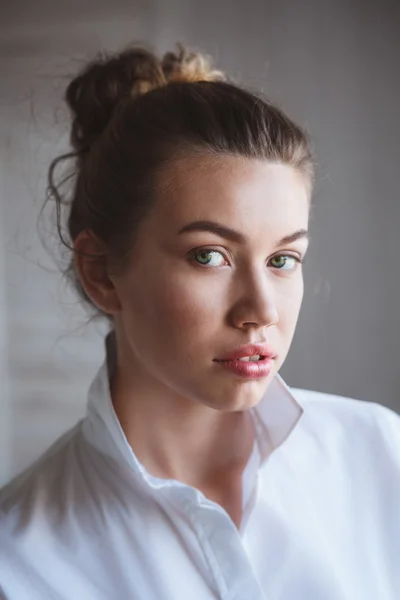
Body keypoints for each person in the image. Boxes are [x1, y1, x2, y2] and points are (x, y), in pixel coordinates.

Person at [0, 42, 399, 600]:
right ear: (101, 272)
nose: (261, 310)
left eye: (283, 259)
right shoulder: (19, 564)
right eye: (209, 255)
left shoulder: (380, 456)